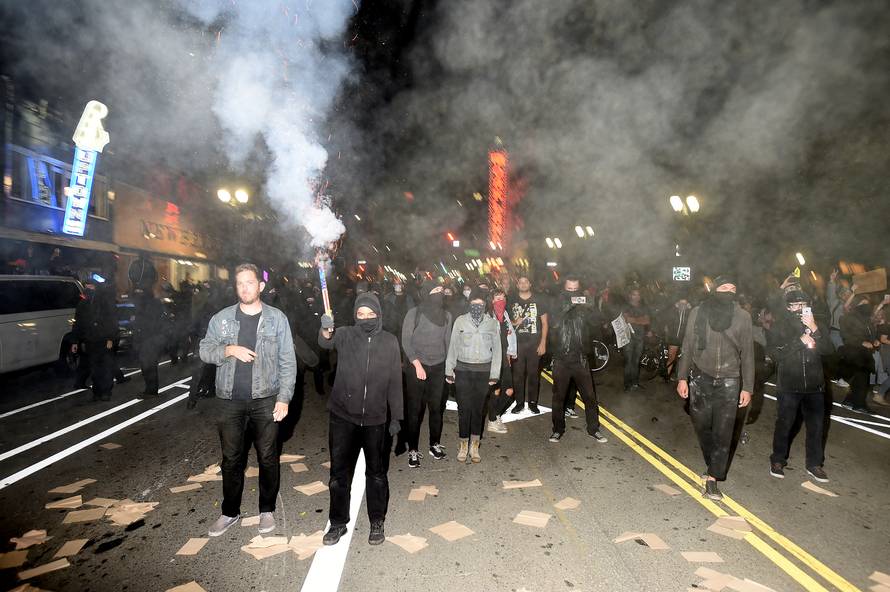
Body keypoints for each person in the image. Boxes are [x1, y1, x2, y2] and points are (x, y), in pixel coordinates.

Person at [199, 263, 297, 537]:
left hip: (266, 398)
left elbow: (287, 361)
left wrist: (284, 398)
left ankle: (266, 509)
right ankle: (229, 512)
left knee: (267, 456)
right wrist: (229, 349)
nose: (244, 288)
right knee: (231, 459)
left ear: (261, 286)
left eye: (250, 283)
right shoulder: (222, 319)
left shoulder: (277, 319)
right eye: (240, 283)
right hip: (229, 400)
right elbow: (205, 349)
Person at [318, 292, 402, 546]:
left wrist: (397, 417)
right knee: (338, 474)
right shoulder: (344, 335)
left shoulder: (389, 341)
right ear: (355, 316)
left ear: (379, 315)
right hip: (343, 416)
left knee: (376, 474)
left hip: (376, 418)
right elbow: (325, 343)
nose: (365, 318)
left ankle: (377, 520)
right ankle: (338, 523)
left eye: (370, 314)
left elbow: (396, 382)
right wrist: (325, 329)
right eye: (360, 314)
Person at [677, 275, 754, 501]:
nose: (729, 291)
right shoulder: (698, 313)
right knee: (702, 426)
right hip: (701, 377)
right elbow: (688, 345)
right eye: (724, 287)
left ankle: (713, 477)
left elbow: (748, 354)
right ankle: (713, 462)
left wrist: (747, 387)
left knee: (724, 431)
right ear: (715, 290)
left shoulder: (743, 317)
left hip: (730, 381)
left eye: (733, 287)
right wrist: (682, 377)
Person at [767, 288, 832, 482]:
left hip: (815, 385)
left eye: (802, 304)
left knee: (817, 427)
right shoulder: (780, 326)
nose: (798, 308)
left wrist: (815, 329)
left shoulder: (817, 323)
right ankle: (778, 459)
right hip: (789, 385)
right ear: (788, 307)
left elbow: (829, 350)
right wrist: (799, 341)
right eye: (794, 305)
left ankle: (814, 464)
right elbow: (775, 353)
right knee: (785, 424)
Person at [547, 276, 607, 444]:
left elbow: (596, 323)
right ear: (564, 288)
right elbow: (553, 323)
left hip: (580, 358)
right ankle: (557, 430)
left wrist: (591, 307)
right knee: (559, 397)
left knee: (589, 396)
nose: (572, 292)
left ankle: (594, 429)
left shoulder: (584, 305)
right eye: (569, 289)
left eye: (575, 290)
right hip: (561, 358)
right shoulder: (557, 303)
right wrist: (568, 305)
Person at [445, 288, 501, 463]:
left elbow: (498, 350)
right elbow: (453, 346)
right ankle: (463, 444)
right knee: (464, 410)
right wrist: (449, 370)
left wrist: (494, 374)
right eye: (473, 304)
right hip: (463, 371)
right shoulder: (460, 322)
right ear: (469, 305)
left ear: (485, 306)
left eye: (480, 305)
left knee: (478, 410)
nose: (477, 307)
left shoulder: (492, 324)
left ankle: (475, 445)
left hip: (483, 373)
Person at [401, 281, 452, 467]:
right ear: (426, 293)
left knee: (436, 408)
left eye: (441, 290)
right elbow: (406, 341)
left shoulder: (447, 315)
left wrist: (448, 367)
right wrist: (416, 364)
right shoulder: (414, 313)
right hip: (417, 366)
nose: (439, 294)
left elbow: (448, 342)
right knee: (415, 410)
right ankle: (413, 450)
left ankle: (434, 444)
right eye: (435, 290)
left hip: (438, 366)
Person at [72, 281, 118, 402]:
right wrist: (75, 341)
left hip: (103, 340)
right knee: (94, 368)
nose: (88, 289)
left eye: (91, 287)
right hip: (90, 340)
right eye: (86, 287)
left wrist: (110, 338)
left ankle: (106, 392)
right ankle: (97, 392)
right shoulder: (82, 304)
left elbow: (112, 321)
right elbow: (78, 324)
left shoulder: (104, 303)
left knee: (106, 368)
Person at [508, 275, 548, 414]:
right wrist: (514, 323)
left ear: (530, 284)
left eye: (526, 282)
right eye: (521, 282)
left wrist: (543, 343)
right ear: (517, 285)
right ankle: (519, 403)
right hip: (517, 344)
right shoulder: (511, 300)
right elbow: (505, 322)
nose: (523, 284)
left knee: (533, 374)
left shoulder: (539, 300)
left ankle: (532, 402)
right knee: (517, 375)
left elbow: (544, 323)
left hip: (534, 343)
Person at [838, 293, 877, 413]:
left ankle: (849, 401)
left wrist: (873, 341)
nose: (866, 306)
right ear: (857, 304)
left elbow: (869, 333)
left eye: (867, 304)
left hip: (863, 354)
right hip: (854, 352)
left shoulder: (866, 319)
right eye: (863, 303)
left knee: (859, 380)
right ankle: (859, 405)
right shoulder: (849, 317)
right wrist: (862, 343)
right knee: (861, 379)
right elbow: (846, 336)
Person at [487, 289, 516, 434]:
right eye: (497, 298)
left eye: (503, 298)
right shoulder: (487, 316)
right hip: (492, 359)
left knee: (509, 391)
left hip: (504, 358)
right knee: (496, 390)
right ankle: (492, 420)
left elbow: (510, 336)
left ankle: (495, 415)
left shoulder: (505, 315)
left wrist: (510, 354)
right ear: (491, 300)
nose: (500, 300)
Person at [135, 286, 167, 398]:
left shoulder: (146, 305)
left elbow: (146, 322)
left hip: (150, 338)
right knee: (148, 365)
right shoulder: (154, 303)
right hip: (152, 338)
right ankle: (150, 389)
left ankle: (151, 390)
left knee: (149, 365)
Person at [622, 287, 651, 391]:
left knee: (637, 361)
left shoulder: (644, 307)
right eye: (634, 294)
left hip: (640, 337)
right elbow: (626, 319)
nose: (636, 297)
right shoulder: (626, 307)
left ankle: (634, 383)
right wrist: (640, 320)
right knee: (628, 361)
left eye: (638, 295)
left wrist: (633, 320)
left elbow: (647, 321)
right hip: (628, 338)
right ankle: (627, 384)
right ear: (630, 295)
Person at [664, 291, 691, 380]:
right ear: (678, 304)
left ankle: (678, 376)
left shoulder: (689, 313)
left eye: (685, 304)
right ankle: (666, 376)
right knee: (671, 357)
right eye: (681, 303)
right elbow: (666, 324)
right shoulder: (672, 311)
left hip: (684, 340)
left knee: (681, 359)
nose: (683, 305)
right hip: (673, 339)